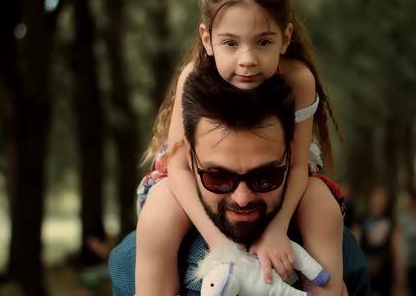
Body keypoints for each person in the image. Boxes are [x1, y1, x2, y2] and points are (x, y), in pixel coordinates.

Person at [135, 0, 345, 295]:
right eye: (230, 43)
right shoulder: (193, 75)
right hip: (194, 174)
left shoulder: (298, 80)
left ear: (285, 38)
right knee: (160, 211)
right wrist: (220, 245)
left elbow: (300, 163)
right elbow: (177, 166)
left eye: (263, 42)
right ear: (207, 39)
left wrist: (276, 228)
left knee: (320, 205)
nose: (247, 59)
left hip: (279, 171)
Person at [109, 67, 369, 295]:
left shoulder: (341, 251)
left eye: (265, 177)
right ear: (190, 158)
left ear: (292, 156)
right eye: (218, 177)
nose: (242, 198)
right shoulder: (132, 262)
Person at [354, 186, 399, 296]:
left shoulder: (391, 221)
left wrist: (400, 270)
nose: (378, 200)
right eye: (376, 196)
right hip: (364, 269)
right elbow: (355, 244)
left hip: (386, 271)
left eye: (382, 197)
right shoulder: (361, 220)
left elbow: (397, 247)